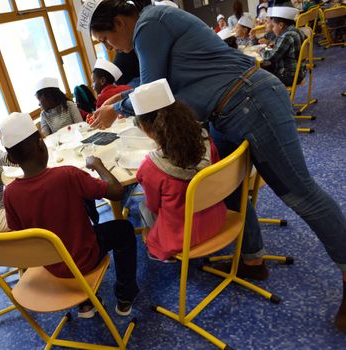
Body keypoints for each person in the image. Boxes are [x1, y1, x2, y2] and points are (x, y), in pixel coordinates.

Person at [78, 0, 346, 331]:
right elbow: (156, 87)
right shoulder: (154, 23)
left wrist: (119, 105)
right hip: (229, 108)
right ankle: (253, 259)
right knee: (229, 186)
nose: (110, 46)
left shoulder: (148, 25)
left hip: (250, 100)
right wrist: (119, 101)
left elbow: (152, 89)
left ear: (119, 22)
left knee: (301, 193)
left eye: (106, 39)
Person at [0, 112, 139, 317]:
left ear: (11, 158)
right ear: (42, 145)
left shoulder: (10, 193)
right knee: (124, 230)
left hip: (52, 266)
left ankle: (85, 304)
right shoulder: (66, 174)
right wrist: (97, 165)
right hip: (84, 258)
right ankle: (125, 297)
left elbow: (20, 234)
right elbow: (117, 193)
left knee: (60, 236)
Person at [131, 79, 227, 262]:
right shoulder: (207, 141)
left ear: (144, 128)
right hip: (216, 218)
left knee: (143, 206)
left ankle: (163, 252)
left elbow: (153, 206)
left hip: (181, 238)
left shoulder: (150, 168)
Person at [261, 6, 306, 86]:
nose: (273, 29)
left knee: (260, 78)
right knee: (264, 70)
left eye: (273, 26)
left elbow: (270, 57)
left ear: (281, 25)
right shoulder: (296, 30)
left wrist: (261, 50)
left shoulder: (286, 36)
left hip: (289, 75)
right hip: (299, 71)